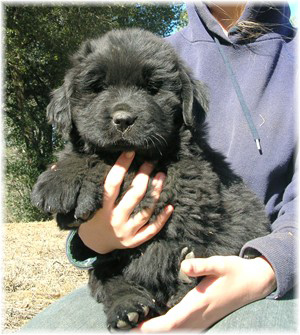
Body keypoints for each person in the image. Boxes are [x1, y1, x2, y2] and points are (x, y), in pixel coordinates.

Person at [21, 1, 297, 332]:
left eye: (150, 90)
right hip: (124, 277)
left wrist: (269, 266)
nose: (123, 112)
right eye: (99, 88)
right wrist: (91, 235)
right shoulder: (163, 48)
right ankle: (125, 296)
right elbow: (82, 224)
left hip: (252, 269)